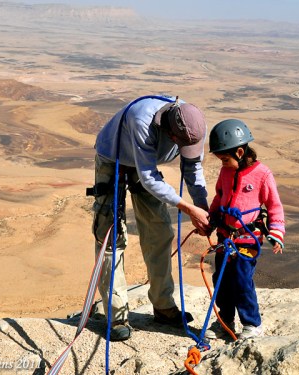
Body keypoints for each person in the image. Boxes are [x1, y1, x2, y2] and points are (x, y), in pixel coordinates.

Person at [90, 95, 210, 341]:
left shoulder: (193, 120)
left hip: (146, 165)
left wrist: (202, 207)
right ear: (170, 133)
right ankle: (117, 316)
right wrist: (188, 208)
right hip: (113, 158)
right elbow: (148, 178)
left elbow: (193, 169)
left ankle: (164, 306)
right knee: (112, 238)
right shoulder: (141, 120)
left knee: (159, 232)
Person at [204, 119, 285, 340]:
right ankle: (225, 321)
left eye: (225, 159)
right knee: (221, 280)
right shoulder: (226, 173)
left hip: (246, 240)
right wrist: (211, 220)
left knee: (241, 280)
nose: (222, 163)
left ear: (240, 152)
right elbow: (220, 198)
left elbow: (274, 206)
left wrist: (276, 233)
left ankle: (252, 324)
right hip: (224, 238)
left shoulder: (262, 174)